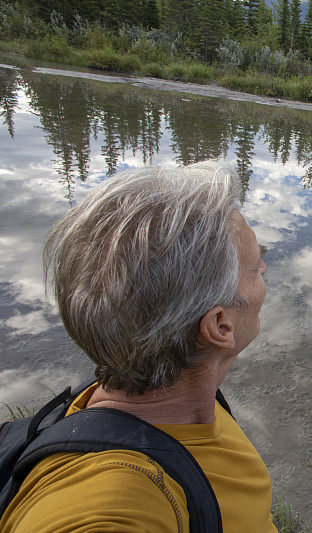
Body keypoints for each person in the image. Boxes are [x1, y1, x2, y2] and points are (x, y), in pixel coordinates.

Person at [0, 161, 278, 532]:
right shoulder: (113, 496)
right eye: (255, 264)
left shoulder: (187, 398)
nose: (263, 271)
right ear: (219, 325)